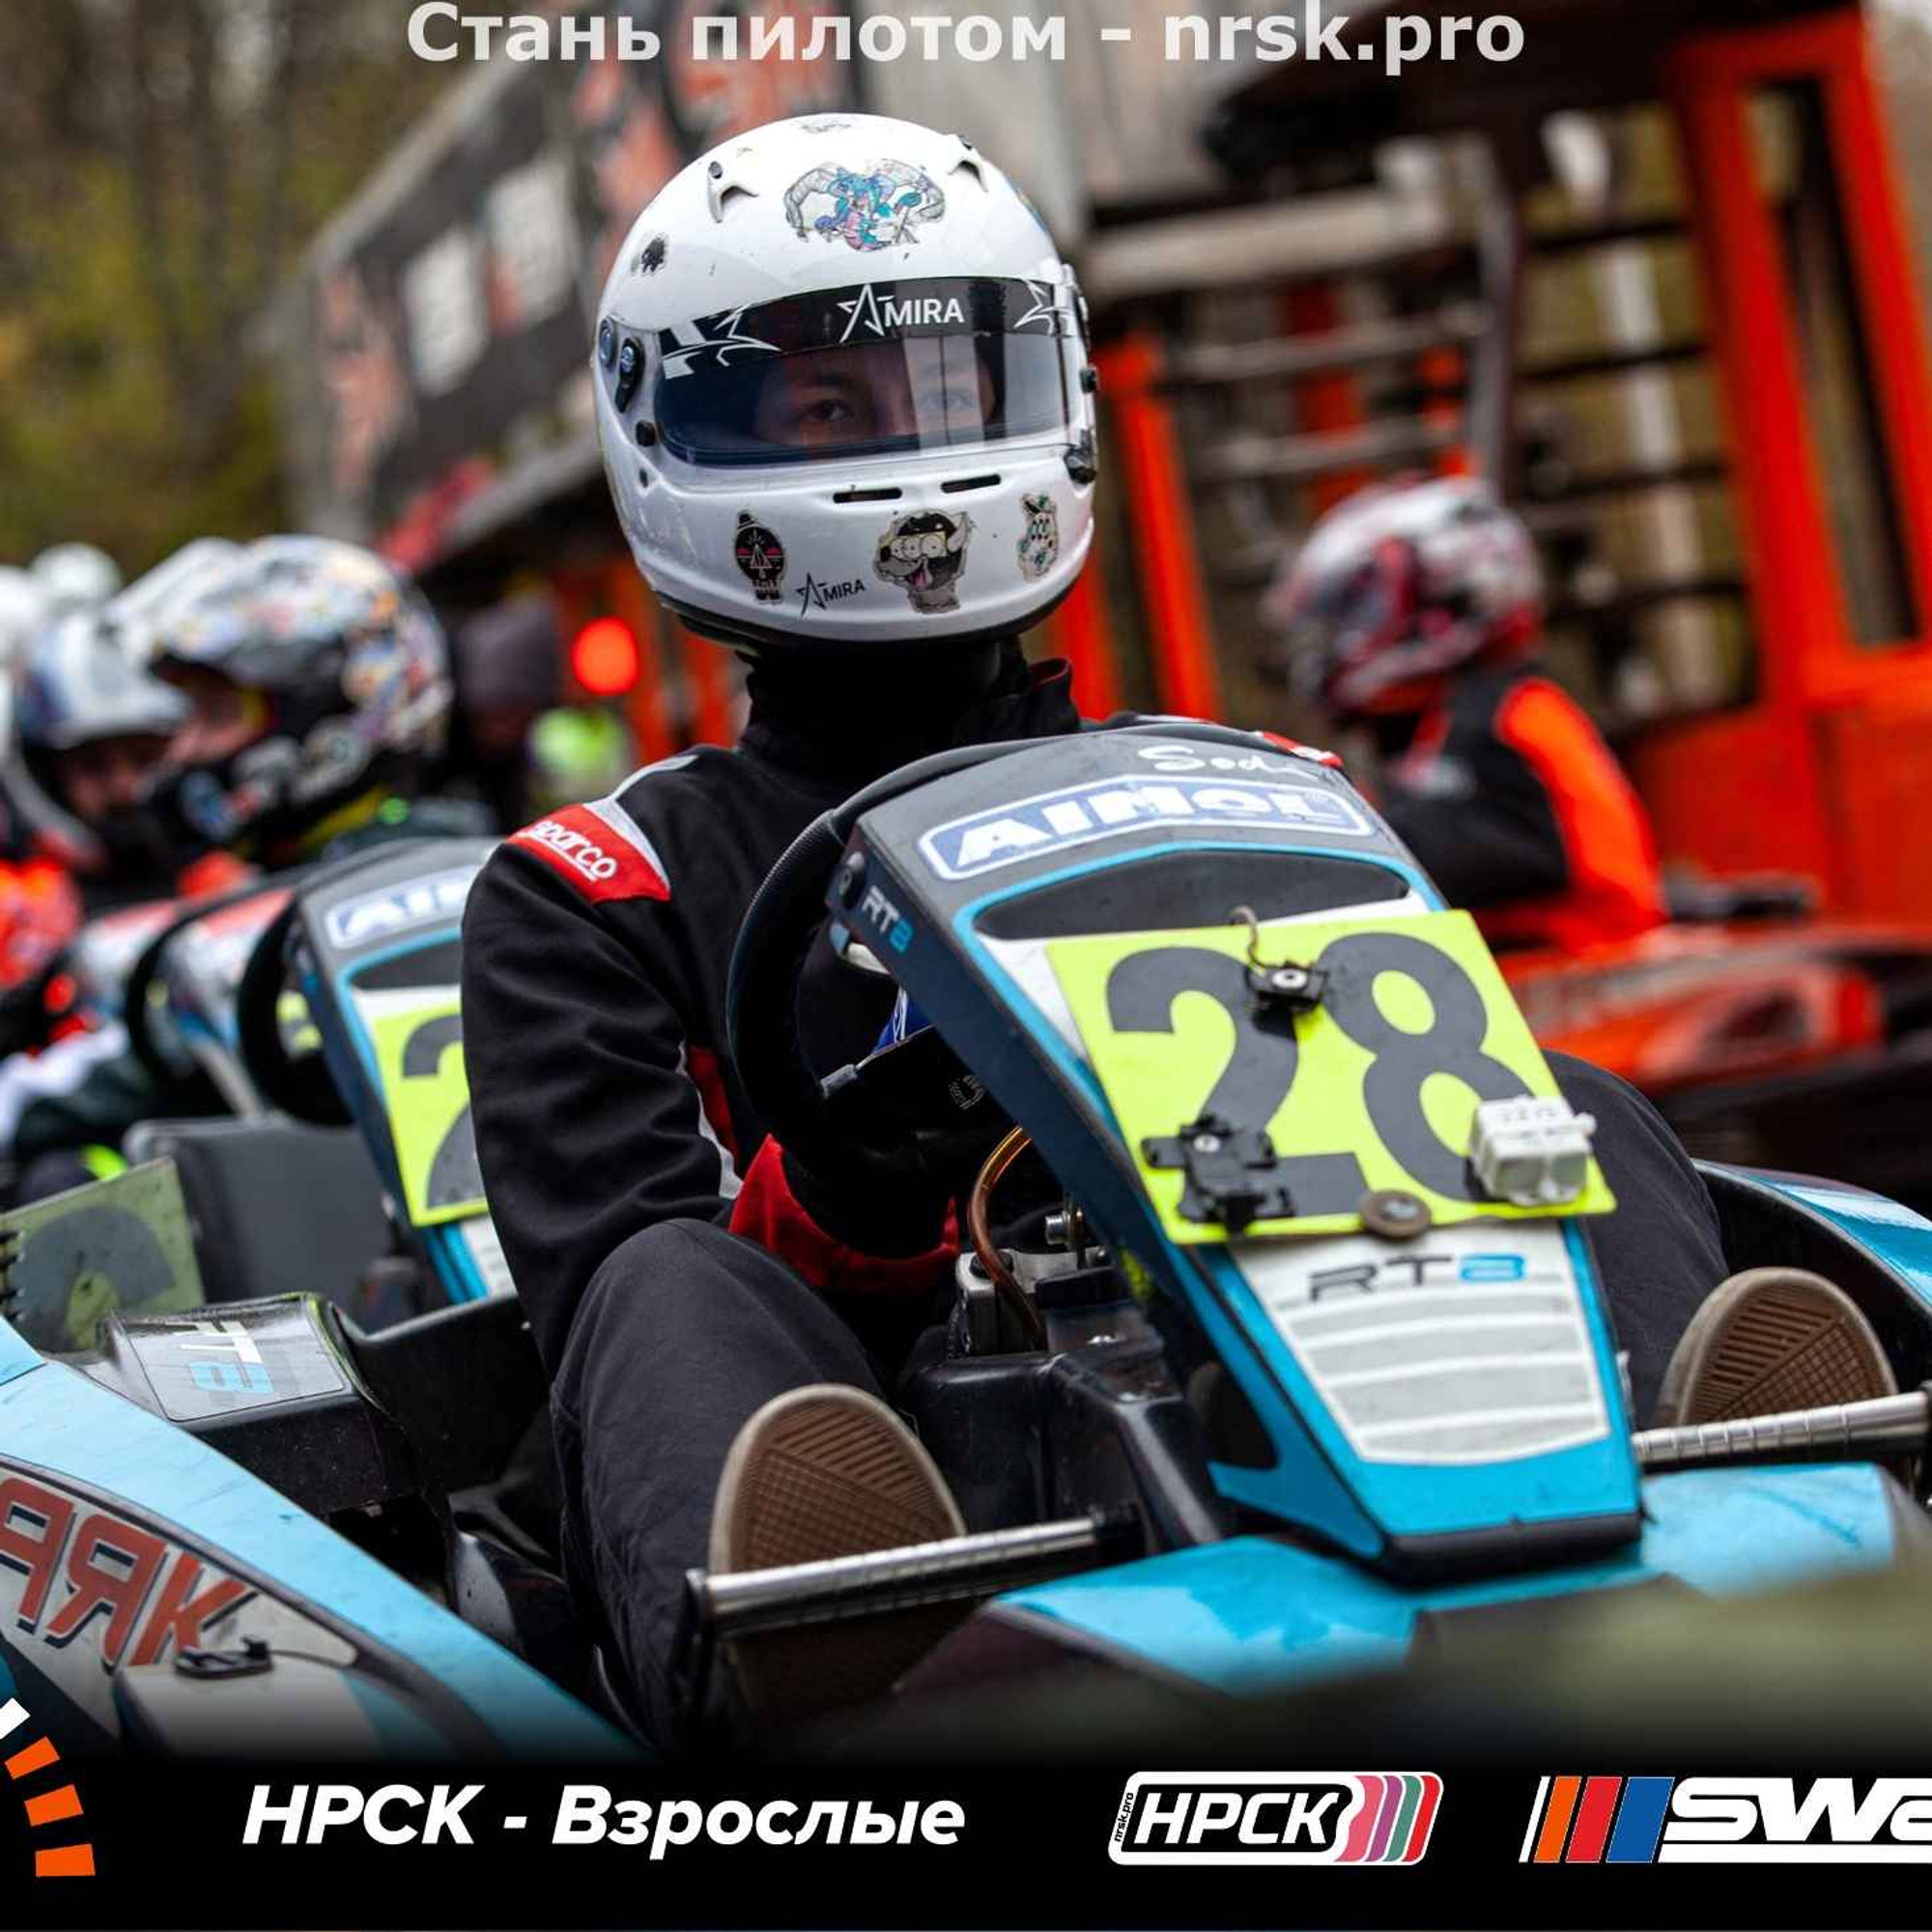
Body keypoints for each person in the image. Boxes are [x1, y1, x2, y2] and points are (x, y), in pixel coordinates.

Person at [459, 114, 1846, 1747]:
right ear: (678, 434)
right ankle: (822, 1667)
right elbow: (609, 1336)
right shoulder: (592, 889)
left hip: (1258, 1370)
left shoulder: (1246, 795)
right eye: (831, 406)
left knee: (1575, 1110)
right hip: (912, 1467)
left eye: (949, 387)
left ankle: (1722, 1496)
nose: (911, 448)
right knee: (663, 1289)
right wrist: (854, 1183)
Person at [1262, 476, 1667, 955]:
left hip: (1588, 970)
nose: (1339, 638)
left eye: (1361, 608)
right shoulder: (1451, 721)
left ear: (1447, 599)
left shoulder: (1514, 717)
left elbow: (1440, 852)